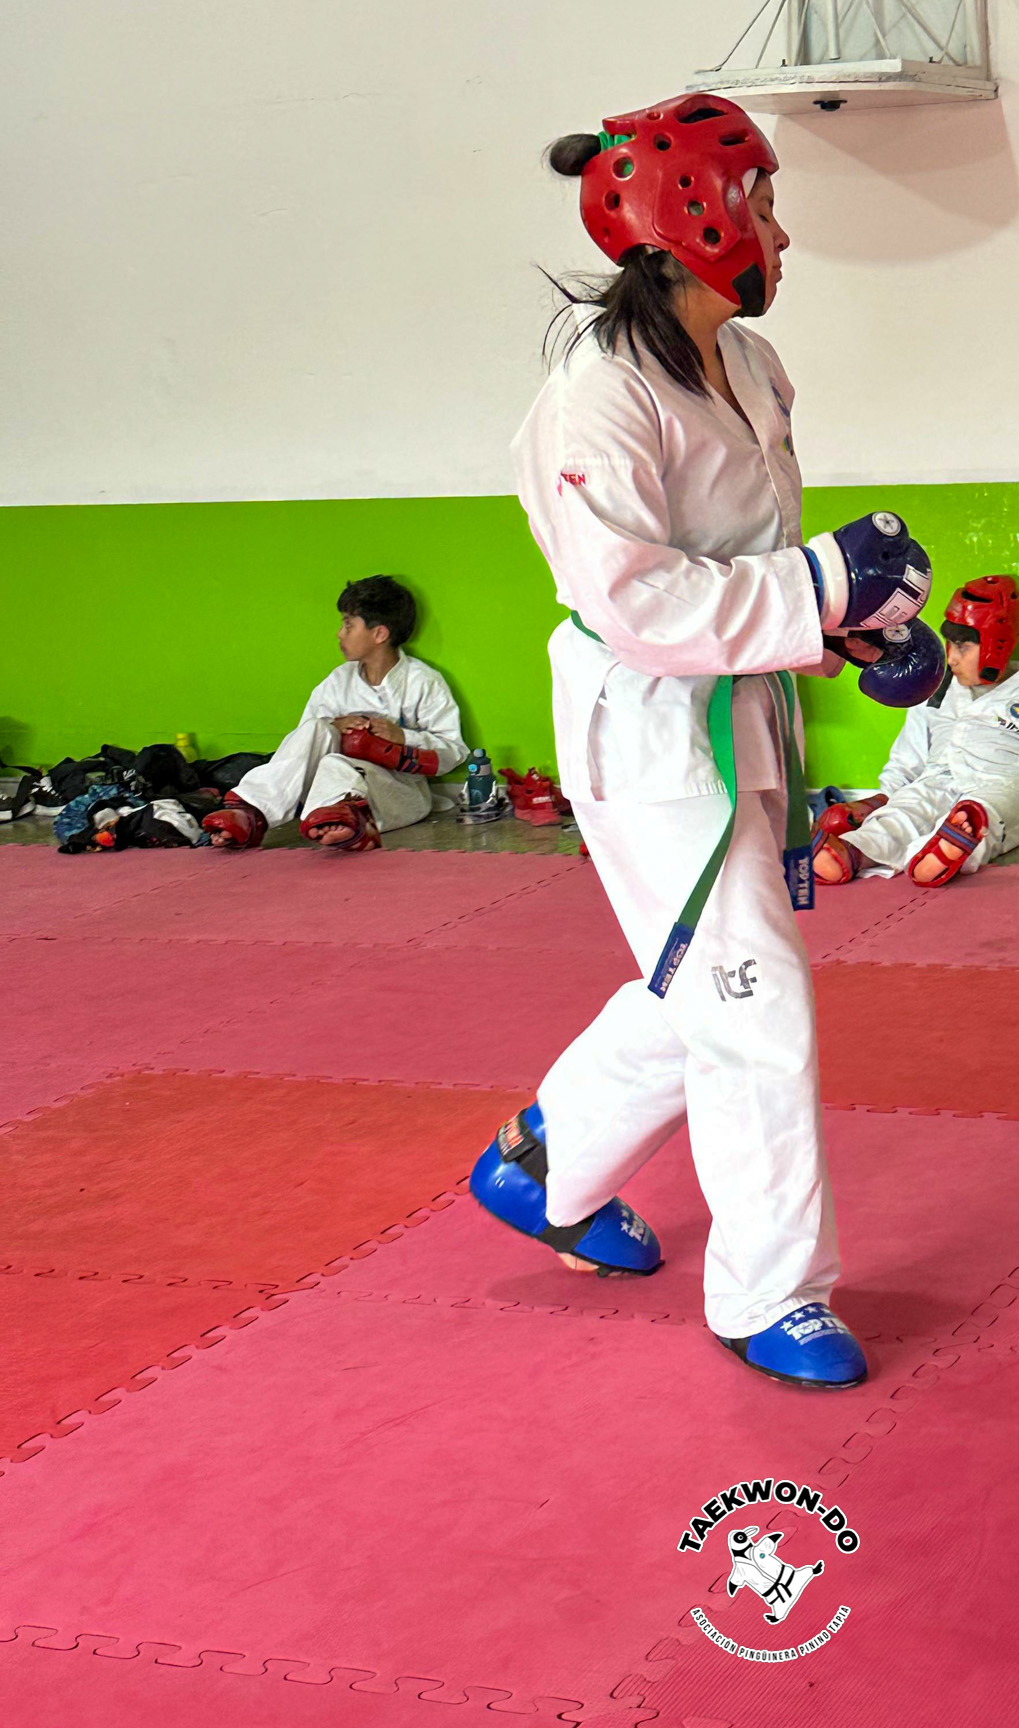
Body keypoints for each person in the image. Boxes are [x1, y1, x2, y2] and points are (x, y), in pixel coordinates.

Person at [468, 92, 943, 1390]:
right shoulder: (597, 396)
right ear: (698, 222)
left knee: (707, 977)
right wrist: (821, 589)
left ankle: (546, 1162)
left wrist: (849, 627)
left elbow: (743, 558)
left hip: (740, 708)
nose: (782, 235)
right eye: (765, 208)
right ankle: (768, 1294)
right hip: (647, 726)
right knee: (754, 1001)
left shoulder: (751, 364)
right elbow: (638, 600)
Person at [813, 574, 1019, 886]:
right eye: (949, 645)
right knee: (905, 811)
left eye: (962, 648)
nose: (950, 658)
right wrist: (883, 799)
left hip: (1005, 786)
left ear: (996, 646)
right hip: (936, 780)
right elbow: (907, 757)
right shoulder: (934, 687)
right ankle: (855, 852)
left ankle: (946, 849)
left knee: (983, 817)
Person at [201, 576, 467, 851]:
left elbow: (454, 750)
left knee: (335, 765)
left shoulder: (422, 681)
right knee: (316, 729)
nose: (340, 634)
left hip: (398, 793)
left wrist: (402, 737)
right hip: (326, 792)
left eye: (348, 625)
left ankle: (351, 818)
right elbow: (301, 743)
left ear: (379, 634)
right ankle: (251, 812)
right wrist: (333, 725)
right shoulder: (339, 680)